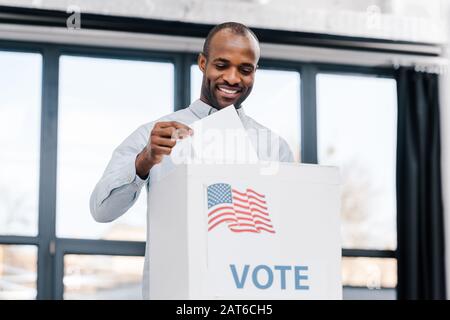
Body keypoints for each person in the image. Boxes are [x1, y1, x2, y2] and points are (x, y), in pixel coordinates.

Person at [90, 22, 294, 298]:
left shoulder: (274, 147)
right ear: (202, 62)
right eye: (221, 65)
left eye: (245, 69)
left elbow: (285, 233)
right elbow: (102, 211)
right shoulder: (154, 134)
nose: (233, 78)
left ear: (255, 71)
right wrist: (144, 161)